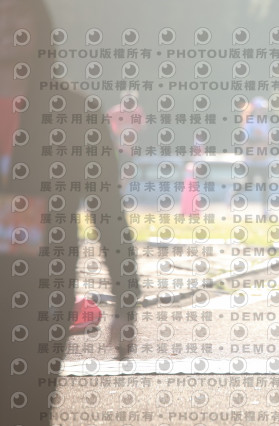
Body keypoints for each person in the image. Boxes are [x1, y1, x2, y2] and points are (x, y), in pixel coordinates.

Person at [0, 1, 140, 424]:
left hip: (39, 296)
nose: (8, 24)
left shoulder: (76, 113)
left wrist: (126, 301)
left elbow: (108, 212)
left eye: (19, 13)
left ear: (40, 27)